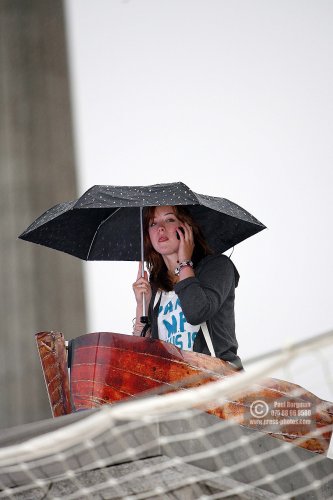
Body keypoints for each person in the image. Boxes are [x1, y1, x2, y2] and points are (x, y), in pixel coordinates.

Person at [132, 205, 242, 369]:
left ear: (187, 227)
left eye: (169, 219)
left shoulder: (217, 267)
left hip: (218, 382)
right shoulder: (155, 285)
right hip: (174, 384)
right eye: (153, 224)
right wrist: (142, 304)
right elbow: (142, 352)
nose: (160, 228)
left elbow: (197, 312)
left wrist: (184, 263)